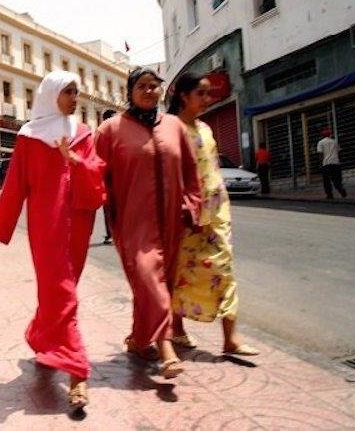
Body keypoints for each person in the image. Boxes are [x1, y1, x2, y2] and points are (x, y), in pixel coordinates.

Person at [0, 71, 105, 410]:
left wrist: (76, 161)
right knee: (63, 293)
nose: (75, 98)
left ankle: (40, 335)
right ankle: (78, 374)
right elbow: (15, 184)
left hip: (79, 223)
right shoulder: (29, 137)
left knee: (60, 293)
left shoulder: (83, 134)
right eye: (68, 92)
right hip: (46, 226)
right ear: (51, 95)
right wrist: (2, 226)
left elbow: (97, 175)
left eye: (76, 92)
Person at [94, 67, 201, 379]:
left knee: (158, 283)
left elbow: (191, 172)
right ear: (129, 92)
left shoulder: (174, 126)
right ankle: (166, 347)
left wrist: (191, 206)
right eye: (141, 85)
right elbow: (94, 173)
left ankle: (139, 340)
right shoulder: (110, 130)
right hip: (132, 221)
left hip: (171, 221)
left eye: (154, 85)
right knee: (148, 277)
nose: (148, 90)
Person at [167, 72, 259, 357]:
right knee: (181, 272)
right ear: (184, 96)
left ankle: (230, 339)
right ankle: (177, 329)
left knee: (224, 269)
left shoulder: (205, 128)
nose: (208, 99)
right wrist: (186, 208)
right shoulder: (171, 129)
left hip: (217, 212)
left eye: (209, 93)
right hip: (187, 215)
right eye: (201, 93)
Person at [100, 109, 117, 244]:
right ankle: (110, 234)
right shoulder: (101, 135)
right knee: (109, 208)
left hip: (121, 177)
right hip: (107, 178)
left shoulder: (119, 134)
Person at [316, 128, 347, 199]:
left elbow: (320, 154)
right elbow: (339, 151)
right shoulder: (334, 142)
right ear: (330, 135)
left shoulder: (320, 142)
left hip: (326, 163)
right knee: (337, 179)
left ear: (322, 135)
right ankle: (341, 189)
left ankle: (329, 194)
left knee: (326, 180)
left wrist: (320, 163)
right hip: (336, 163)